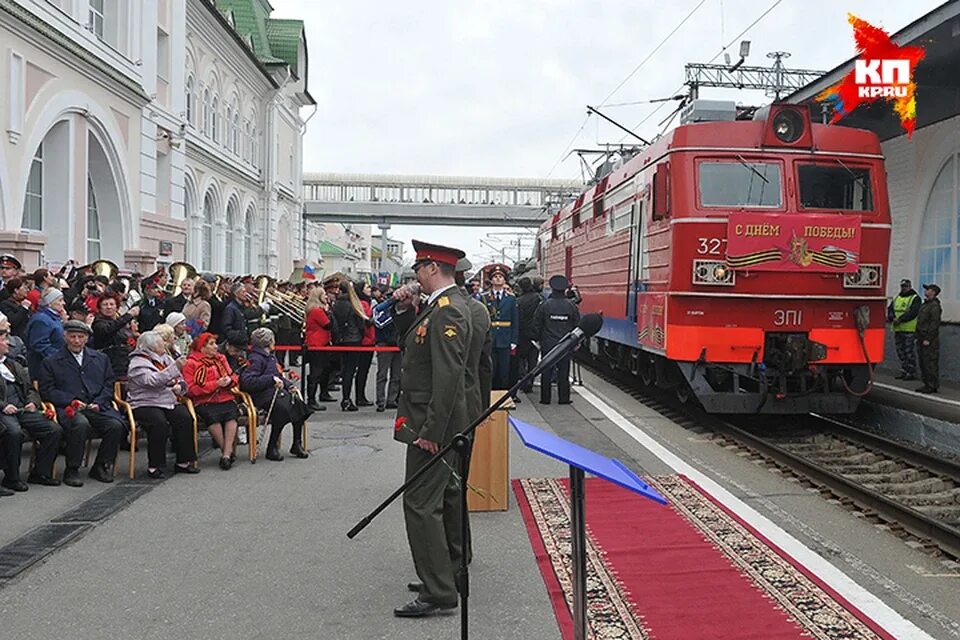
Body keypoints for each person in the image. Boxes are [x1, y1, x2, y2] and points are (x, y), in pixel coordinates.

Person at [391, 240, 480, 618]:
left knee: (420, 504)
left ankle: (438, 591)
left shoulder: (447, 312)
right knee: (445, 499)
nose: (416, 278)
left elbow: (448, 378)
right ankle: (446, 574)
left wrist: (430, 430)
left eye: (418, 270)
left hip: (435, 425)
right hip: (441, 421)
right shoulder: (445, 307)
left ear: (431, 269)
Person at [38, 320, 125, 486]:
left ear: (86, 339)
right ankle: (72, 468)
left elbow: (109, 385)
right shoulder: (52, 361)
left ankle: (100, 465)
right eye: (72, 336)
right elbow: (47, 390)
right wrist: (71, 401)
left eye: (80, 337)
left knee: (115, 425)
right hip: (69, 407)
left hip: (96, 405)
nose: (76, 341)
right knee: (80, 423)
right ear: (65, 337)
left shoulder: (100, 358)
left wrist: (99, 402)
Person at [126, 331, 199, 478]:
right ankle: (155, 466)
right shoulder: (137, 363)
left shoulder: (165, 358)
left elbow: (180, 379)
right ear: (150, 347)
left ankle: (183, 462)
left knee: (185, 418)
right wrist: (174, 369)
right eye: (160, 344)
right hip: (144, 402)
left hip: (166, 400)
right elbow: (152, 381)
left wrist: (180, 386)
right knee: (159, 423)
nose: (164, 346)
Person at [0, 322, 62, 491]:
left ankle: (40, 472)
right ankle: (11, 478)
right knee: (13, 432)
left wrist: (32, 402)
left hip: (21, 408)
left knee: (53, 429)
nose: (8, 343)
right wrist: (3, 405)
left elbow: (30, 389)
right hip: (3, 412)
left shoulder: (14, 365)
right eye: (4, 340)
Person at [240, 328, 310, 460]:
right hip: (261, 395)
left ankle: (297, 443)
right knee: (282, 411)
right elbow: (248, 382)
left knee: (299, 407)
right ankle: (272, 447)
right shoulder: (255, 359)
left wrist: (289, 386)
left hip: (275, 393)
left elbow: (277, 376)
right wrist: (270, 380)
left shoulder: (270, 357)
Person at [183, 332, 239, 469]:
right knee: (212, 416)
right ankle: (226, 451)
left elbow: (234, 376)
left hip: (225, 396)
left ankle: (226, 455)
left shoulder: (221, 359)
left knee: (231, 414)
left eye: (215, 343)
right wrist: (216, 384)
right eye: (211, 344)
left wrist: (229, 381)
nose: (216, 347)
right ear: (202, 347)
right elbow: (190, 389)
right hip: (204, 400)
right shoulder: (191, 363)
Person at [534, 275, 580, 405]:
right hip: (566, 343)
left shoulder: (544, 305)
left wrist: (538, 339)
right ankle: (564, 398)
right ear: (565, 289)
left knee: (546, 371)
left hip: (548, 343)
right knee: (563, 371)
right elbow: (577, 325)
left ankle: (545, 398)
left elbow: (537, 324)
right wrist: (575, 343)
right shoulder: (571, 306)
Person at [479, 264, 518, 390]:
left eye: (500, 277)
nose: (498, 279)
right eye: (495, 277)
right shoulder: (484, 298)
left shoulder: (511, 299)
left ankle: (503, 395)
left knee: (504, 370)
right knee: (490, 369)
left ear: (505, 280)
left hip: (505, 339)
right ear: (491, 280)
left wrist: (513, 341)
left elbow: (515, 321)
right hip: (490, 338)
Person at [332, 280, 369, 412]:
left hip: (342, 339)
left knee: (345, 370)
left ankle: (345, 398)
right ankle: (347, 399)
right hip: (353, 339)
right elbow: (360, 323)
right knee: (350, 371)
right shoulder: (353, 303)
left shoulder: (336, 303)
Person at [92, 292, 140, 378]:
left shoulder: (120, 322)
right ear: (100, 308)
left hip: (123, 362)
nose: (109, 307)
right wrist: (128, 315)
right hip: (109, 363)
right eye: (105, 304)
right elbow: (108, 330)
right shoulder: (98, 323)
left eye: (112, 304)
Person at [305, 287, 337, 409]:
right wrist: (328, 312)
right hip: (317, 344)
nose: (326, 297)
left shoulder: (317, 309)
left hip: (322, 343)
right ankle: (311, 400)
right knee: (316, 372)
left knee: (324, 370)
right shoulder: (317, 311)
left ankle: (323, 393)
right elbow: (328, 324)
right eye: (323, 295)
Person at [372, 292, 401, 413]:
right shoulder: (382, 311)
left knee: (397, 375)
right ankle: (381, 401)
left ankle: (391, 399)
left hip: (397, 345)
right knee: (382, 375)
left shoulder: (402, 311)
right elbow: (378, 321)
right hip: (384, 344)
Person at [26, 288, 66, 377]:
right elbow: (40, 345)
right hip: (44, 368)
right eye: (60, 300)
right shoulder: (41, 320)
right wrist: (61, 358)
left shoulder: (53, 317)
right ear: (50, 302)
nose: (63, 303)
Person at [887, 278, 921, 381]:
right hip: (898, 329)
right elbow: (890, 309)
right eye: (902, 286)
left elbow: (913, 312)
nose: (904, 288)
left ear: (910, 287)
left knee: (908, 352)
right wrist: (892, 318)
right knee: (900, 352)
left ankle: (911, 372)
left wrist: (900, 319)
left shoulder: (915, 298)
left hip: (909, 330)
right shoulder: (897, 297)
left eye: (906, 286)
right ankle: (904, 370)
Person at [515, 277, 542, 393]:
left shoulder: (518, 301)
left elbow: (518, 319)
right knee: (533, 360)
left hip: (522, 334)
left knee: (521, 359)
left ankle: (523, 380)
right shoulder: (538, 298)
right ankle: (530, 381)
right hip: (535, 334)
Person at [915, 283, 942, 394]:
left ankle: (932, 385)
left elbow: (934, 324)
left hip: (929, 339)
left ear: (933, 292)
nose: (926, 291)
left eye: (928, 290)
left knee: (929, 362)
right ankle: (926, 383)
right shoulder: (925, 304)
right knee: (923, 362)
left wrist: (928, 338)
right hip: (921, 337)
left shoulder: (934, 306)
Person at [354, 281, 376, 407]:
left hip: (368, 340)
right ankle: (360, 397)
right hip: (366, 341)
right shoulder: (363, 303)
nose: (369, 289)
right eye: (367, 287)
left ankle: (360, 396)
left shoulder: (365, 302)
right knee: (363, 370)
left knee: (363, 371)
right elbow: (367, 320)